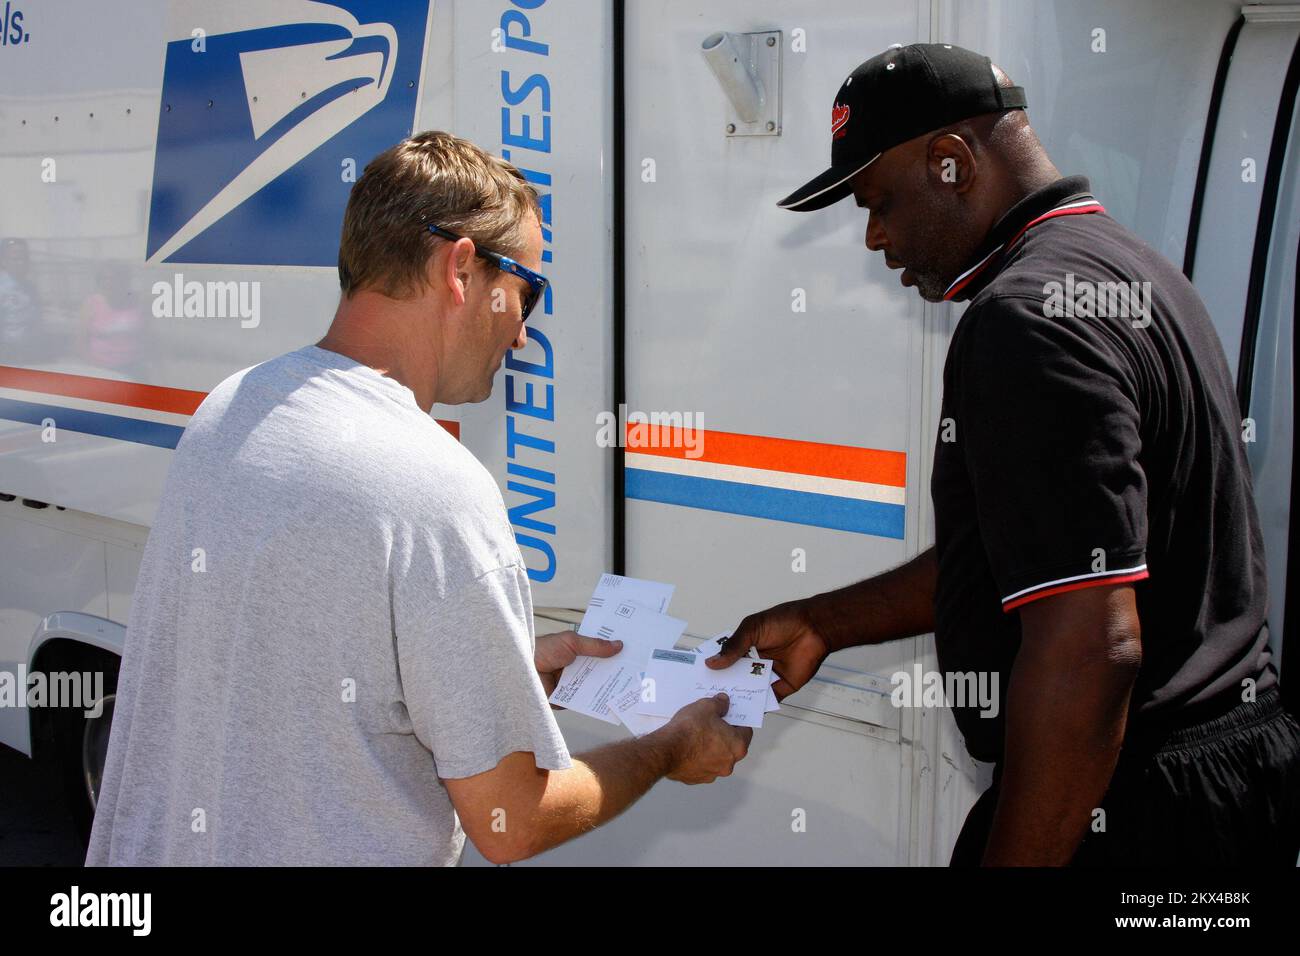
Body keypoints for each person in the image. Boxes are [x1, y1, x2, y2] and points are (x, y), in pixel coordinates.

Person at [88, 130, 750, 866]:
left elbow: (295, 673)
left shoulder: (231, 409)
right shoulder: (435, 486)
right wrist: (671, 746)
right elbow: (512, 823)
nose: (524, 335)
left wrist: (505, 674)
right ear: (461, 267)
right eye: (527, 293)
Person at [710, 43, 1300, 866]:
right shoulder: (1135, 269)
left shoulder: (1026, 321)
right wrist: (823, 623)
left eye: (877, 203)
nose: (875, 238)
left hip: (1135, 803)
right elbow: (1046, 552)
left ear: (951, 162)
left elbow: (1091, 646)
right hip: (1221, 786)